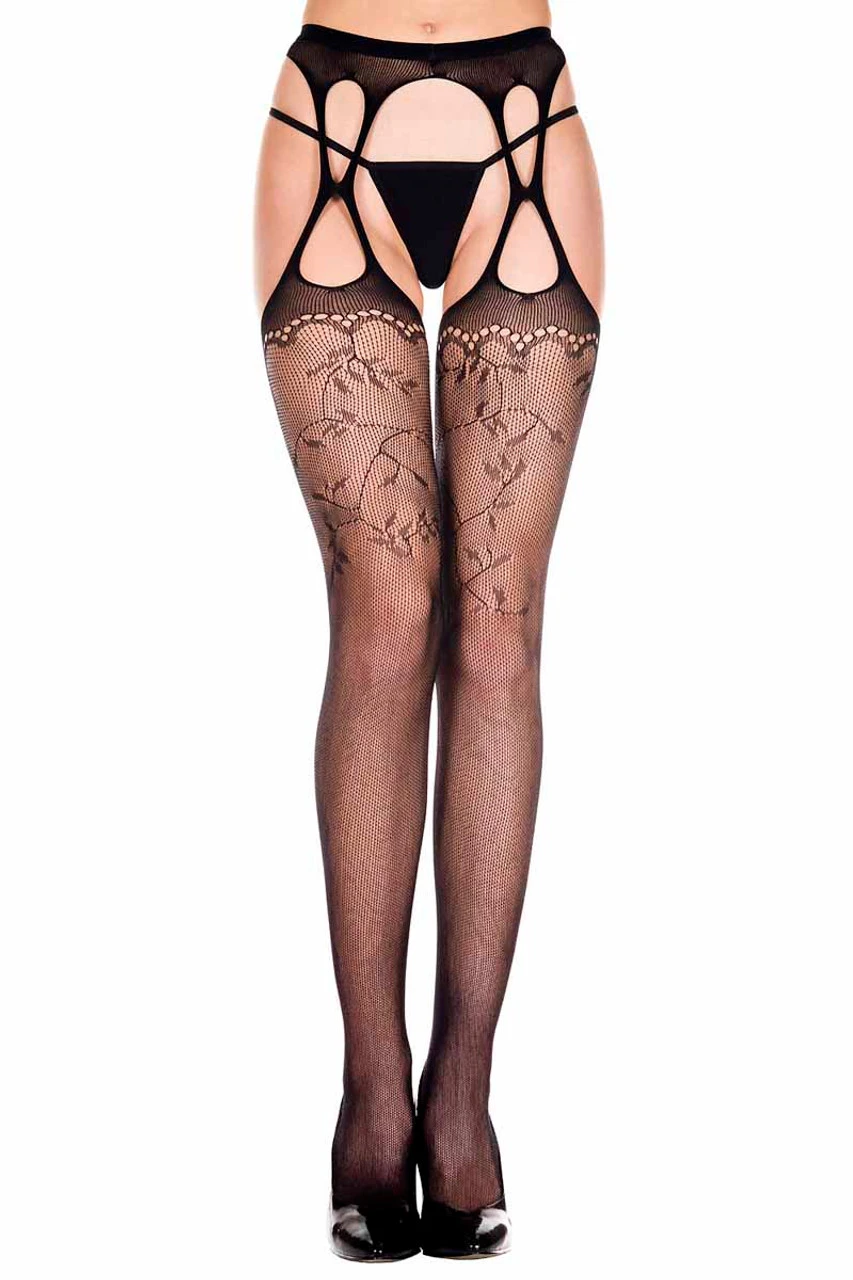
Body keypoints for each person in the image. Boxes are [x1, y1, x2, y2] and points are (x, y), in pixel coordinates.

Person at [254, 0, 604, 1260]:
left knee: (499, 626)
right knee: (385, 610)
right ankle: (371, 1085)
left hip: (528, 126)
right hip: (329, 123)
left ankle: (462, 1089)